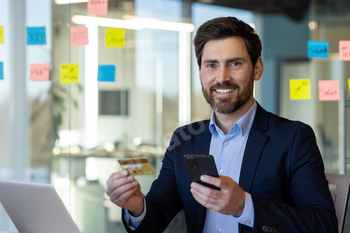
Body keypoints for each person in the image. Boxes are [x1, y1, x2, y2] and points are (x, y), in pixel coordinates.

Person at [106, 17, 338, 233]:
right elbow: (157, 213)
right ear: (200, 73)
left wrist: (245, 206)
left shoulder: (293, 137)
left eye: (234, 64)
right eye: (211, 65)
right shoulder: (184, 139)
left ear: (257, 68)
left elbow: (323, 223)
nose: (222, 77)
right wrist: (136, 207)